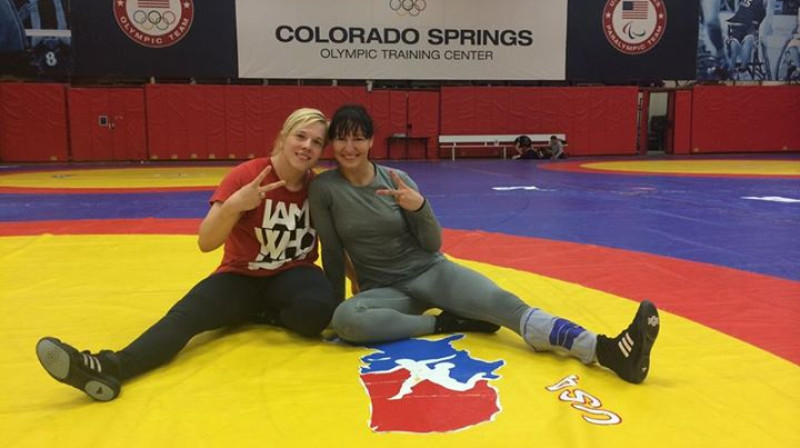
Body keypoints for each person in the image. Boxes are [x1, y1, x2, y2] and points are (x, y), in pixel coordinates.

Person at [308, 105, 661, 384]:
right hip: (385, 290)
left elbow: (432, 243)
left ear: (371, 141)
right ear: (332, 144)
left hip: (431, 271)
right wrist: (333, 306)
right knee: (347, 320)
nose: (349, 148)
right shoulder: (326, 189)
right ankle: (452, 323)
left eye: (357, 139)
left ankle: (605, 350)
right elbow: (333, 252)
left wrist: (419, 207)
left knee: (505, 305)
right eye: (341, 139)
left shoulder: (398, 180)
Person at [35, 108, 339, 401]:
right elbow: (206, 242)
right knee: (184, 319)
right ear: (283, 136)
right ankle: (108, 367)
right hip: (241, 275)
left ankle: (261, 313)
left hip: (293, 272)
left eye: (316, 142)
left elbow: (343, 237)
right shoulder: (246, 175)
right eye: (300, 136)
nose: (306, 146)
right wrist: (235, 205)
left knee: (318, 312)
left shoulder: (319, 186)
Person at [726, 0, 774, 77]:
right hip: (737, 26)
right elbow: (733, 7)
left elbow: (768, 15)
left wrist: (765, 31)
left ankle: (743, 70)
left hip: (751, 27)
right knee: (734, 45)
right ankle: (731, 71)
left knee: (748, 40)